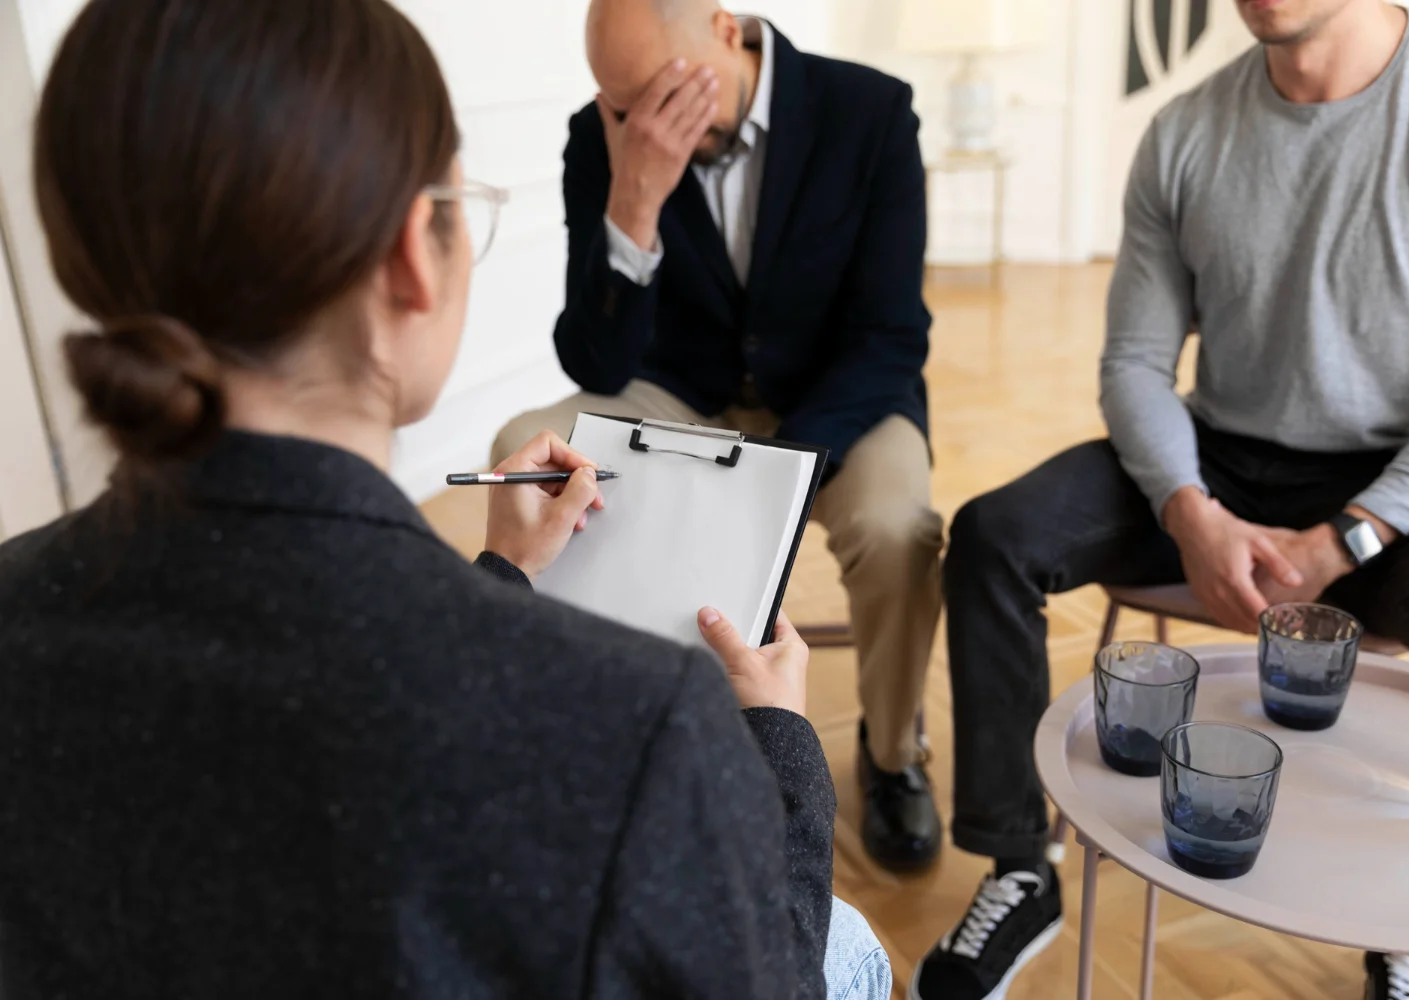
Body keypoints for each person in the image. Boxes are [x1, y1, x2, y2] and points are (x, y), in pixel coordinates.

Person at [0, 1, 892, 997]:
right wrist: (782, 745)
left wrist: (501, 577)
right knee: (851, 944)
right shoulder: (645, 723)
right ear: (410, 255)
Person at [914, 2, 1409, 999]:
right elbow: (1136, 363)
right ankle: (1018, 866)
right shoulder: (1186, 129)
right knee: (992, 536)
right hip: (1220, 459)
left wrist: (1343, 542)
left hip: (1403, 484)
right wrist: (1188, 511)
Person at [489, 0, 944, 874]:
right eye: (621, 106)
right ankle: (608, 723)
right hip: (682, 400)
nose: (641, 125)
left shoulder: (871, 111)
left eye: (659, 98)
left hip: (841, 398)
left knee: (898, 529)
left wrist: (778, 471)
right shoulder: (603, 140)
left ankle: (891, 755)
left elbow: (892, 336)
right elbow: (595, 359)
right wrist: (635, 201)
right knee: (525, 450)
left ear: (725, 34)